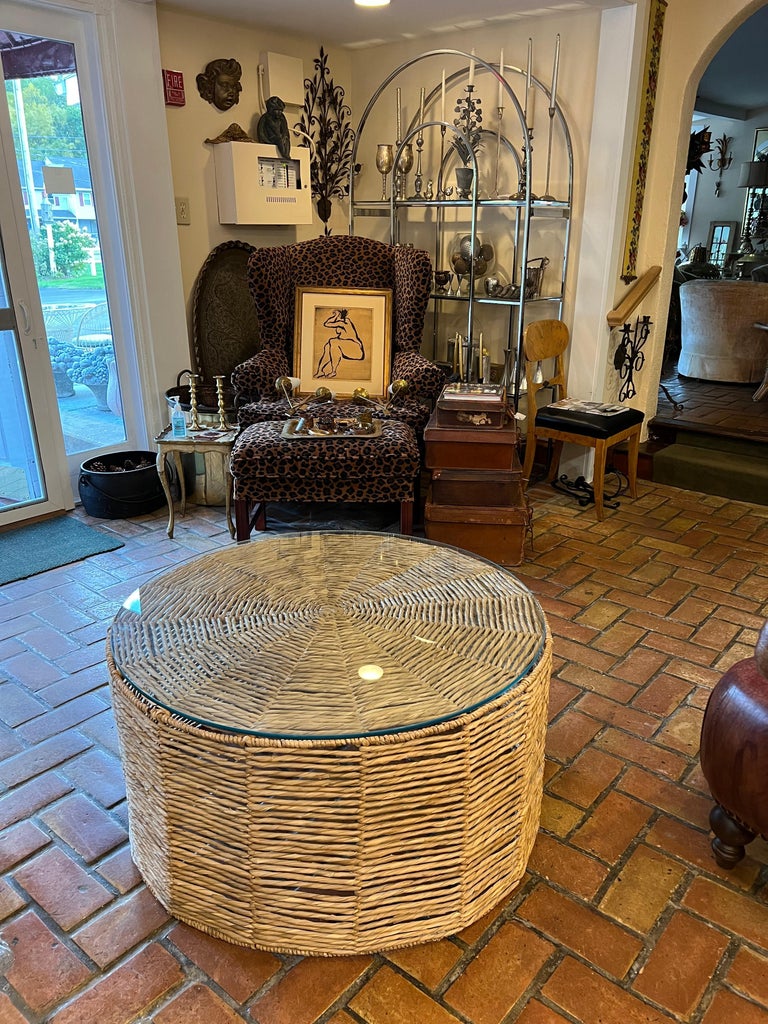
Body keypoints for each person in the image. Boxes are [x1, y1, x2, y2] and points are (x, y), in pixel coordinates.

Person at [315, 309, 365, 379]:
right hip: (349, 348)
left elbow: (327, 324)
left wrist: (336, 315)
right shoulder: (342, 327)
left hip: (356, 351)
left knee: (333, 341)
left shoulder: (344, 323)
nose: (335, 321)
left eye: (337, 319)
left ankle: (333, 371)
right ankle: (320, 371)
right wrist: (336, 316)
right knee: (328, 346)